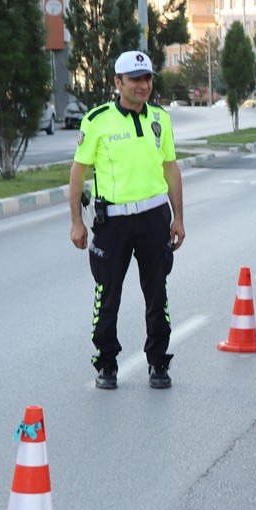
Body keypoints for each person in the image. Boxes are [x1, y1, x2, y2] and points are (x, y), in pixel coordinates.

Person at [68, 50, 185, 391]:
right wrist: (77, 221)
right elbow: (78, 174)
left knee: (157, 293)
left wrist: (178, 218)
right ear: (118, 82)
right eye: (135, 79)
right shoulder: (97, 119)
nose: (143, 85)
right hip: (112, 223)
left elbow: (171, 168)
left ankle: (158, 362)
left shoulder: (160, 119)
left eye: (147, 78)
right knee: (108, 294)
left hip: (153, 219)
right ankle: (106, 363)